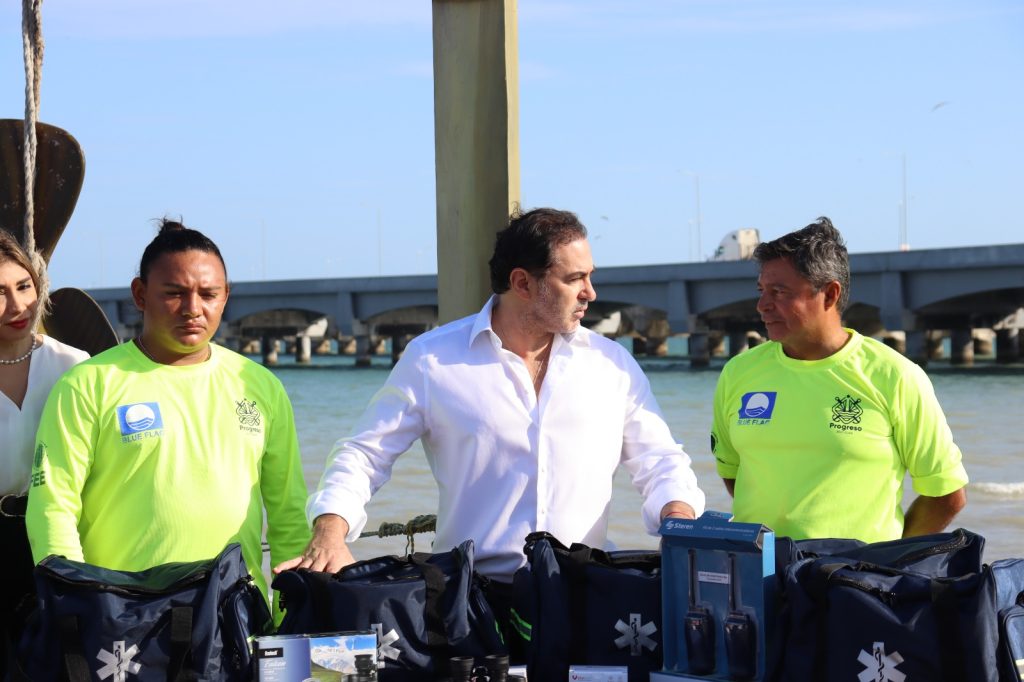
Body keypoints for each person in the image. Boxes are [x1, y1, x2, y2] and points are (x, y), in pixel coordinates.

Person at [277, 207, 706, 647]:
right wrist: (330, 530)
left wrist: (678, 519)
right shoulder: (432, 360)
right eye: (574, 278)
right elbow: (364, 455)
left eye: (590, 276)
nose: (590, 293)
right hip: (468, 608)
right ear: (522, 283)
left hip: (585, 598)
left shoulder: (612, 365)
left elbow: (661, 461)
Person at [25, 220, 310, 610]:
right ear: (140, 294)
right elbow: (53, 507)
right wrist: (76, 607)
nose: (193, 309)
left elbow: (288, 514)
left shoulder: (260, 385)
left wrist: (292, 615)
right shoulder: (88, 383)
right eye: (174, 293)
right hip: (123, 615)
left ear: (226, 296)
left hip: (234, 613)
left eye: (208, 294)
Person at [711, 217, 968, 542]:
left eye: (779, 292)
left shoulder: (895, 376)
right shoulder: (738, 373)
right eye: (762, 291)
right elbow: (733, 472)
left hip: (855, 573)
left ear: (830, 294)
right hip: (759, 570)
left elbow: (946, 495)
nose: (762, 306)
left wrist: (885, 560)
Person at [0, 230, 88, 669]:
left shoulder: (74, 365)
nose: (17, 306)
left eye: (24, 286)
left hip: (55, 538)